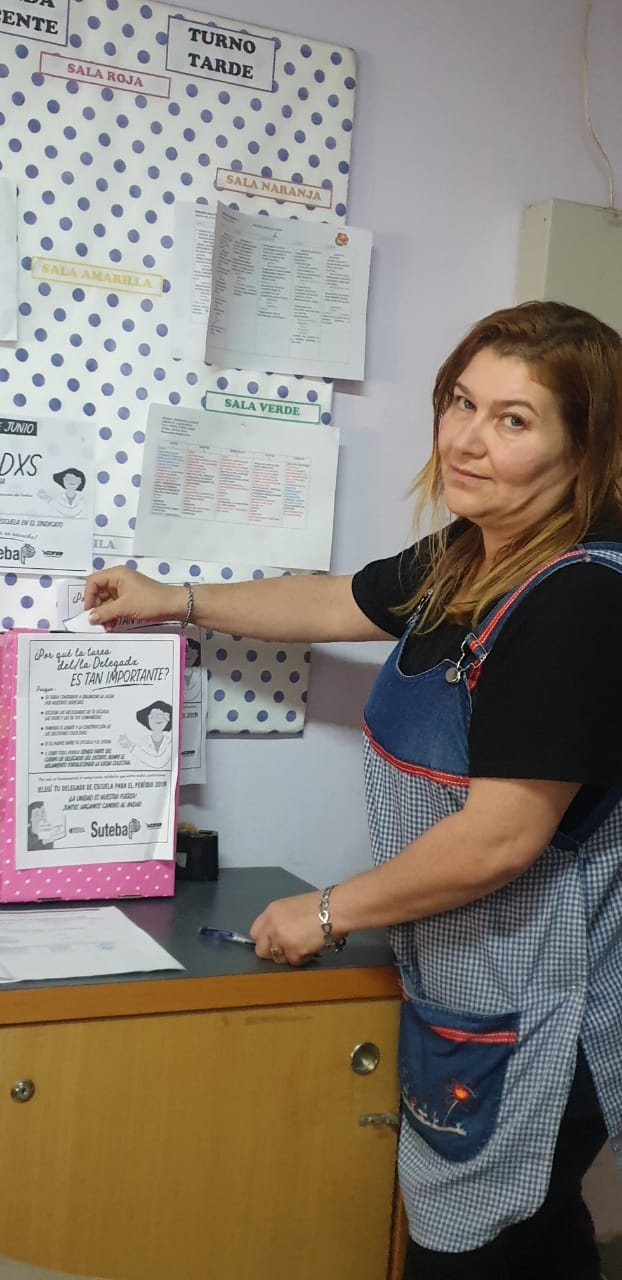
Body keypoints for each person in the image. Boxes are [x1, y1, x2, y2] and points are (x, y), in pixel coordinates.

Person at [83, 300, 622, 1279]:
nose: (465, 439)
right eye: (461, 401)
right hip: (473, 984)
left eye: (513, 419)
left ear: (584, 448)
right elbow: (337, 598)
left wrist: (327, 910)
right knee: (535, 1240)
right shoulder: (474, 552)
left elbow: (500, 839)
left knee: (473, 1249)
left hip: (546, 1009)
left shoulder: (577, 599)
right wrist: (175, 599)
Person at [119, 700, 173, 770]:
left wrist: (130, 747)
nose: (158, 719)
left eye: (163, 716)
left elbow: (158, 762)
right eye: (153, 716)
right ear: (147, 718)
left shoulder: (170, 743)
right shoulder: (142, 741)